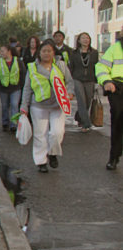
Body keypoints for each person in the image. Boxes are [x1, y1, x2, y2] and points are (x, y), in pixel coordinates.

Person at [20, 40, 74, 173]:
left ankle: (52, 153)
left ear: (53, 52)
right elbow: (27, 88)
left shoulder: (60, 65)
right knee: (40, 135)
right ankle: (41, 162)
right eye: (43, 51)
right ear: (39, 53)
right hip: (38, 105)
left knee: (57, 132)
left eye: (49, 51)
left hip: (58, 105)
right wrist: (24, 106)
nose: (46, 53)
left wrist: (70, 93)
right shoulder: (32, 67)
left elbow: (69, 81)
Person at [95, 32, 123, 170]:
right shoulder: (115, 48)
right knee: (118, 121)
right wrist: (106, 81)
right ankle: (114, 156)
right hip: (117, 87)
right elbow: (101, 67)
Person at [68, 32, 98, 132]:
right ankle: (86, 124)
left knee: (88, 102)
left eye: (87, 38)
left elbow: (97, 67)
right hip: (77, 79)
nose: (86, 40)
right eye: (83, 38)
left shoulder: (94, 52)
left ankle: (78, 116)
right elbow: (71, 67)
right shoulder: (74, 53)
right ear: (79, 41)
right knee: (81, 101)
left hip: (90, 79)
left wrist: (97, 81)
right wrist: (70, 80)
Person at [0, 44, 26, 133]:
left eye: (3, 51)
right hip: (3, 88)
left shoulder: (18, 61)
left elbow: (23, 73)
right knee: (4, 106)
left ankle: (14, 124)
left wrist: (22, 86)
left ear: (9, 51)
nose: (1, 53)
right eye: (0, 51)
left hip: (15, 88)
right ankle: (5, 123)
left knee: (14, 105)